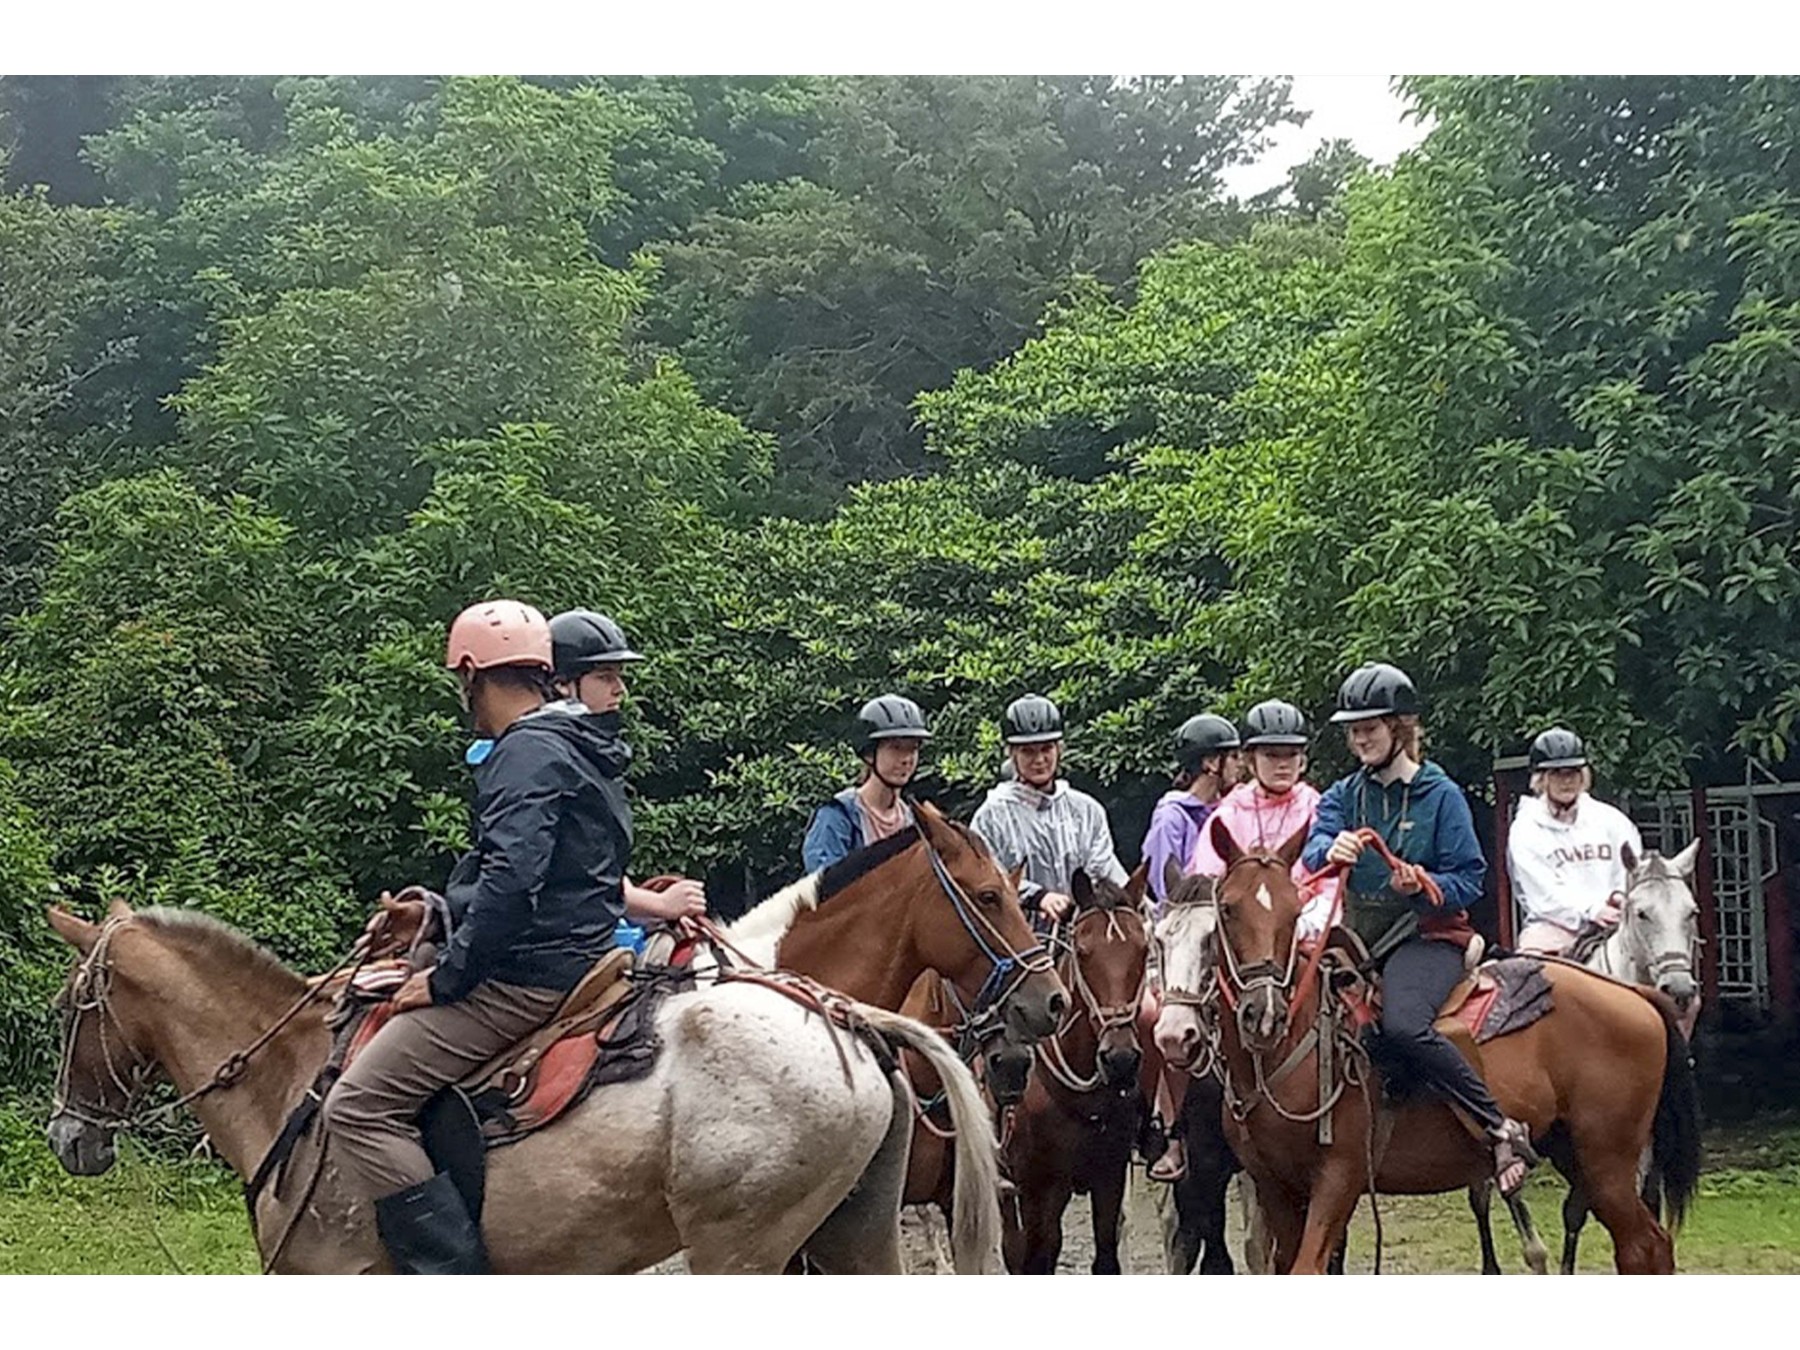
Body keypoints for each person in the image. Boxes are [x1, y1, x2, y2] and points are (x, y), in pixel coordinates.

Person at [322, 600, 633, 1273]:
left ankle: (453, 1283)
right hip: (577, 951)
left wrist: (443, 977)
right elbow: (545, 877)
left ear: (471, 674)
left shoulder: (525, 752)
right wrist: (438, 909)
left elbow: (513, 888)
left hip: (525, 977)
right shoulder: (577, 746)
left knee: (358, 1105)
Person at [1302, 662, 1536, 1196]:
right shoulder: (1344, 794)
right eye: (1354, 728)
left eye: (1372, 726)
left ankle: (1499, 1125)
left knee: (1405, 1023)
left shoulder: (1441, 794)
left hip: (1426, 938)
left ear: (1400, 728)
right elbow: (1317, 841)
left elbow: (1471, 877)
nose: (1360, 737)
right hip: (1358, 942)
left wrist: (1426, 884)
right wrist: (1327, 850)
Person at [1148, 700, 1337, 1183]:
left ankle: (1366, 1114)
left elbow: (1328, 877)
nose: (1282, 763)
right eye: (1270, 754)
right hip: (1237, 948)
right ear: (1250, 760)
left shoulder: (1318, 807)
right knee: (1184, 1014)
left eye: (1290, 754)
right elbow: (1203, 885)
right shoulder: (1227, 814)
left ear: (1304, 760)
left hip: (1302, 936)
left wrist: (1308, 922)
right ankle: (1178, 1132)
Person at [548, 608, 704, 926]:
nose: (620, 689)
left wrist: (648, 911)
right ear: (563, 683)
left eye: (619, 676)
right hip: (562, 946)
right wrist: (659, 903)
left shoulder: (585, 752)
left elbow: (600, 863)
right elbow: (573, 877)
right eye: (605, 677)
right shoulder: (552, 759)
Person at [970, 693, 1125, 924]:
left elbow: (1104, 871)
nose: (1040, 759)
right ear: (1011, 753)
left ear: (1059, 749)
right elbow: (984, 880)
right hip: (1018, 943)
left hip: (1084, 934)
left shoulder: (1087, 811)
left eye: (1046, 748)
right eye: (1028, 751)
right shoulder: (991, 817)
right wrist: (1037, 897)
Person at [1506, 727, 1642, 956]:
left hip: (1618, 921)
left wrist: (1619, 896)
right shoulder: (1526, 829)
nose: (1566, 780)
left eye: (1573, 772)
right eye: (1557, 773)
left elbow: (1632, 868)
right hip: (1554, 928)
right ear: (1541, 779)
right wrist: (1590, 910)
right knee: (1528, 980)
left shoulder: (1611, 819)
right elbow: (1543, 894)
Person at [801, 694, 931, 872]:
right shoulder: (837, 817)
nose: (906, 759)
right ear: (869, 753)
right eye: (896, 748)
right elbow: (824, 886)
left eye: (913, 749)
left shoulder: (914, 822)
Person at [1140, 713, 1241, 918]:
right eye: (1233, 756)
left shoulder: (1232, 810)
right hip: (1182, 920)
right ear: (1211, 763)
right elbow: (1164, 884)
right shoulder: (1170, 817)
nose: (1240, 764)